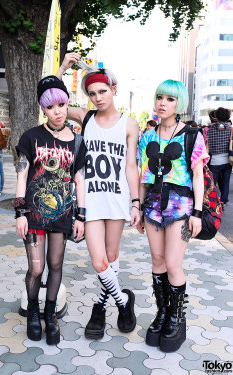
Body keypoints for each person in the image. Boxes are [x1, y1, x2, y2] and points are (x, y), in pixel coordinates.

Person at [57, 53, 140, 339]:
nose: (97, 98)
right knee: (98, 261)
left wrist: (136, 203)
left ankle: (100, 305)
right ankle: (123, 301)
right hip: (90, 198)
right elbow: (53, 100)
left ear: (113, 89)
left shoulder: (129, 124)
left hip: (117, 198)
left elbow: (131, 167)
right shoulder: (86, 117)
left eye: (102, 91)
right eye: (92, 93)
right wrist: (64, 68)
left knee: (112, 256)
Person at [137, 79, 209, 352]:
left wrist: (198, 213)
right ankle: (163, 312)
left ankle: (177, 317)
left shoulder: (192, 135)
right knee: (157, 260)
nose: (162, 103)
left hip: (181, 206)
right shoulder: (148, 136)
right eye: (159, 97)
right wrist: (138, 207)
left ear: (179, 104)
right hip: (153, 205)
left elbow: (199, 176)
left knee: (173, 262)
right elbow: (144, 175)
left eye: (169, 99)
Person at [15, 75, 87, 345]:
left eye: (61, 105)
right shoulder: (31, 137)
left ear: (67, 104)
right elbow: (22, 176)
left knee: (56, 264)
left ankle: (50, 312)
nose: (57, 111)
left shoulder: (78, 142)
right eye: (50, 107)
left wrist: (81, 216)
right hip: (33, 215)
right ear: (43, 109)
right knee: (37, 267)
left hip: (62, 214)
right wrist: (20, 213)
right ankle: (33, 312)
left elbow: (79, 180)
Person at [207, 107, 232, 208]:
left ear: (216, 116)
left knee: (212, 184)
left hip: (214, 161)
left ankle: (212, 203)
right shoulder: (230, 129)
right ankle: (224, 201)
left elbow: (209, 144)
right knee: (225, 182)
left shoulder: (210, 129)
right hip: (227, 160)